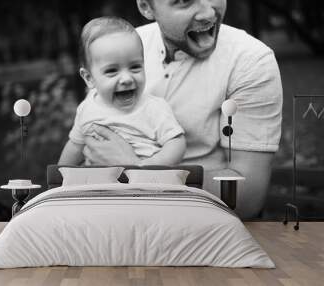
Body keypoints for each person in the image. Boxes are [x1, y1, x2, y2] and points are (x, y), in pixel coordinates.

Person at [82, 0, 283, 219]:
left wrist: (136, 171)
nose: (208, 12)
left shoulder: (250, 62)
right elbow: (91, 144)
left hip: (202, 226)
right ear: (146, 8)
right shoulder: (118, 48)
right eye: (184, 2)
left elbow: (247, 197)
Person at [58, 17, 186, 166]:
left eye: (135, 67)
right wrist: (59, 180)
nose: (126, 78)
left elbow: (177, 143)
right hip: (99, 184)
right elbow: (75, 146)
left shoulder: (153, 108)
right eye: (112, 71)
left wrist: (146, 166)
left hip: (145, 183)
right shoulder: (87, 109)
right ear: (89, 78)